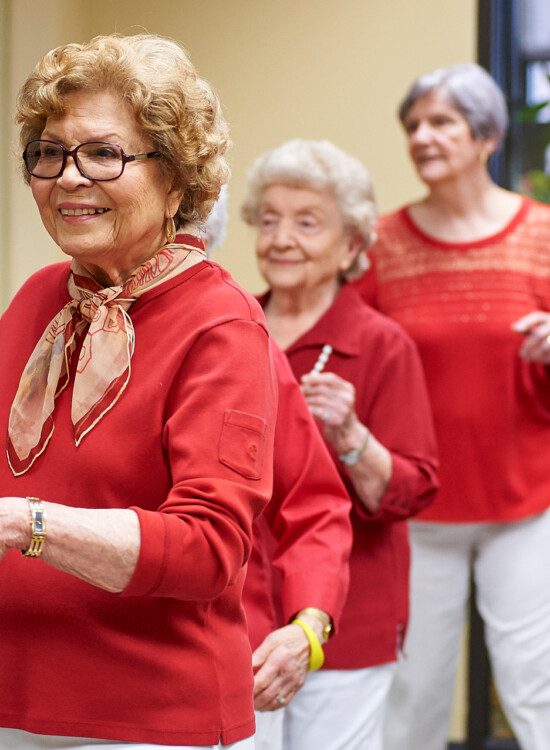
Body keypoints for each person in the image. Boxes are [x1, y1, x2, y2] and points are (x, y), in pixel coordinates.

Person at [0, 34, 279, 749]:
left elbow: (208, 548)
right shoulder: (37, 300)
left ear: (178, 180)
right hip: (16, 702)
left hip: (151, 722)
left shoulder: (221, 323)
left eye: (103, 153)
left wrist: (29, 524)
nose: (67, 177)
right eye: (49, 152)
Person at [353, 63, 550, 750]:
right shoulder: (380, 244)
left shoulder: (543, 235)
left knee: (536, 684)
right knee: (415, 688)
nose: (423, 137)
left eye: (442, 122)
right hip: (417, 509)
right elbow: (348, 353)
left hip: (525, 503)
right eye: (413, 125)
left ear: (487, 135)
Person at [240, 138, 439, 750]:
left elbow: (413, 489)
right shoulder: (232, 326)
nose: (280, 239)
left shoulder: (381, 345)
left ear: (352, 245)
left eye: (307, 222)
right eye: (269, 220)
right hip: (240, 612)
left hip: (348, 620)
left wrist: (352, 437)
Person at [199, 189, 354, 750]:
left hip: (229, 659)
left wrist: (307, 630)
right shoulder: (48, 321)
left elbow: (315, 508)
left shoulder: (245, 341)